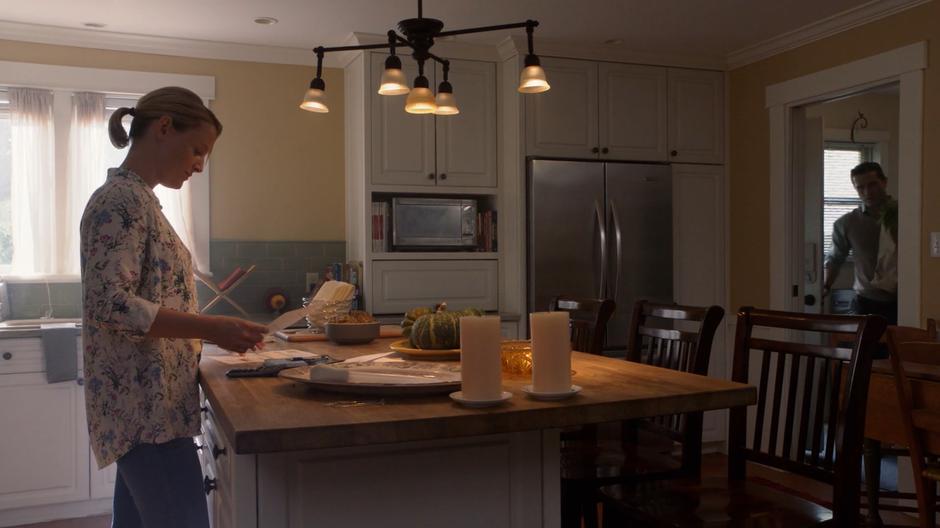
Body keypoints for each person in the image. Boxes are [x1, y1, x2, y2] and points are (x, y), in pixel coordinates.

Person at [80, 86, 268, 528]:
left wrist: (210, 331)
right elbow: (110, 304)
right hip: (147, 415)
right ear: (164, 128)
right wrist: (210, 328)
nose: (199, 165)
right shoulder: (121, 201)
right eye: (197, 150)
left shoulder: (140, 201)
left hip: (149, 410)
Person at [823, 161, 898, 325]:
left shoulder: (906, 214)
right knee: (864, 350)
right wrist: (825, 287)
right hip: (866, 302)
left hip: (903, 301)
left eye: (872, 185)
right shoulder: (847, 223)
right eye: (860, 187)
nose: (867, 192)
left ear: (884, 182)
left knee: (901, 350)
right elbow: (835, 258)